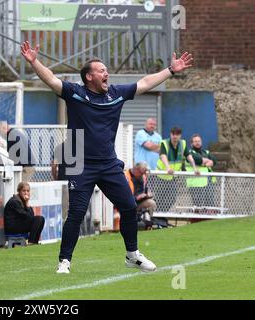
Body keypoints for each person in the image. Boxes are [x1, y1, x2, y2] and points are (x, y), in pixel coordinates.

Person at [21, 41, 194, 274]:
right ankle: (64, 261)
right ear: (89, 77)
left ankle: (132, 255)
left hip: (109, 164)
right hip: (80, 165)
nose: (107, 73)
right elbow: (51, 79)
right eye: (101, 70)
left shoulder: (115, 94)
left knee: (130, 207)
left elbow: (144, 83)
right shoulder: (76, 93)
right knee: (76, 214)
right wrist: (34, 62)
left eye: (106, 70)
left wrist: (171, 70)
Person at [156, 127, 200, 212]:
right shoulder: (164, 143)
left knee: (172, 198)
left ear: (180, 135)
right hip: (161, 176)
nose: (175, 136)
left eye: (177, 134)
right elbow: (163, 156)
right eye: (173, 134)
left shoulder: (182, 143)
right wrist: (168, 167)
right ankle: (156, 215)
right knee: (160, 198)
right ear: (170, 134)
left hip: (173, 177)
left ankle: (161, 214)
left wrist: (195, 168)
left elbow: (189, 156)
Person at [186, 134, 217, 209]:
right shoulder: (189, 153)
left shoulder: (206, 152)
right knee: (198, 204)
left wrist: (208, 162)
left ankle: (209, 220)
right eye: (195, 141)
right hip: (196, 182)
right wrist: (206, 161)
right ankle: (197, 220)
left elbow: (214, 160)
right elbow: (198, 159)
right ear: (191, 143)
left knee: (210, 203)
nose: (197, 143)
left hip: (208, 181)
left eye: (199, 141)